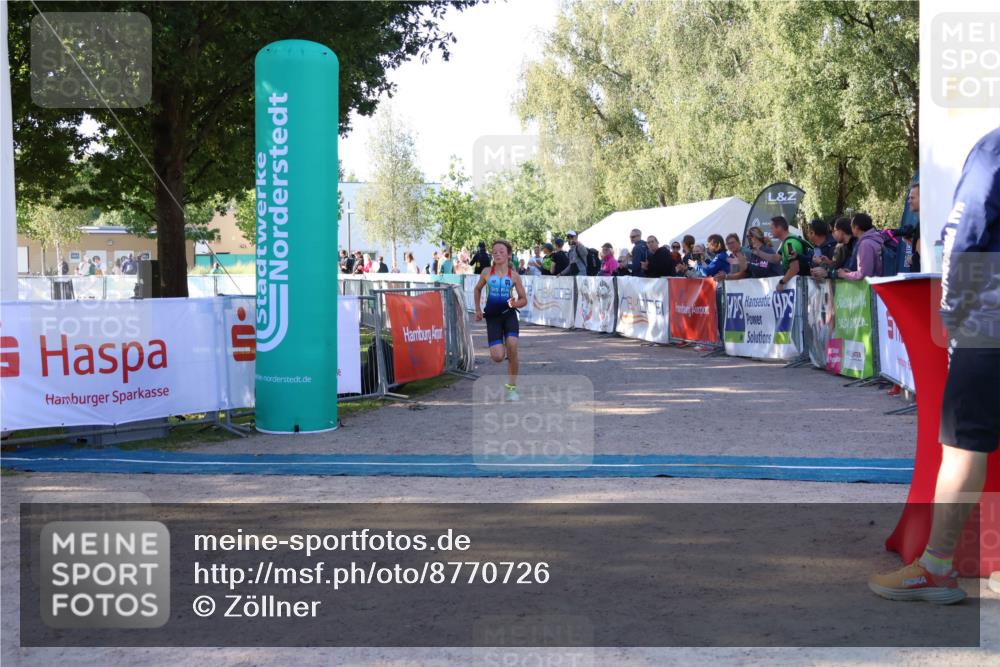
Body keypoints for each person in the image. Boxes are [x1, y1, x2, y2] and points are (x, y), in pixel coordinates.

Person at [869, 126, 1000, 604]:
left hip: (990, 320)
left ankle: (937, 567)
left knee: (963, 448)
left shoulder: (993, 149)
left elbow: (964, 233)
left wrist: (952, 314)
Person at [474, 240, 528, 402]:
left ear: (509, 255)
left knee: (512, 345)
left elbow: (524, 299)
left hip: (509, 314)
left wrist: (515, 303)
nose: (497, 254)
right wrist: (477, 309)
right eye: (495, 252)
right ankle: (505, 348)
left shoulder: (514, 276)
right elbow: (477, 289)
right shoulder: (486, 272)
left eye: (501, 251)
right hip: (492, 317)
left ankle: (512, 388)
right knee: (498, 357)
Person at [765, 216, 813, 291]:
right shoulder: (787, 240)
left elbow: (794, 268)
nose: (770, 231)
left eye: (772, 228)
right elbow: (776, 258)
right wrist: (758, 252)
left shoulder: (789, 244)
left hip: (800, 287)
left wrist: (782, 282)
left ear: (779, 228)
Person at [837, 213, 883, 281]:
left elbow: (864, 274)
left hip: (872, 287)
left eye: (851, 226)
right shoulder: (875, 239)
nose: (850, 229)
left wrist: (845, 275)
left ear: (856, 227)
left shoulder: (865, 244)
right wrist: (851, 273)